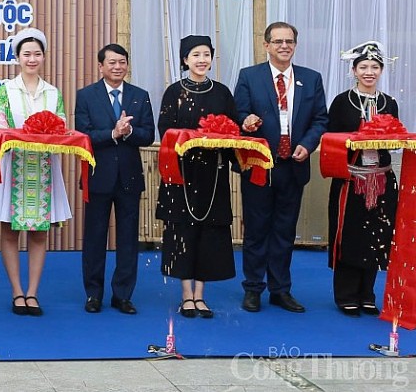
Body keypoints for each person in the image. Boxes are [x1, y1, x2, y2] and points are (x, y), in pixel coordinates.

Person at [235, 21, 328, 313]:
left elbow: (320, 120)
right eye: (277, 42)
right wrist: (246, 121)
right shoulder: (249, 76)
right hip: (260, 165)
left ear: (295, 45)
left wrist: (309, 143)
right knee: (256, 230)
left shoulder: (311, 79)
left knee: (285, 231)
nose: (284, 46)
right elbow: (239, 112)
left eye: (289, 41)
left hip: (294, 165)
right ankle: (253, 289)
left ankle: (280, 290)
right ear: (266, 45)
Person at [0, 28, 69, 316]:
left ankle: (33, 292)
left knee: (38, 234)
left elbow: (62, 128)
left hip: (43, 169)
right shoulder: (6, 90)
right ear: (17, 57)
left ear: (43, 57)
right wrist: (28, 134)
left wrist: (46, 134)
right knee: (9, 230)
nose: (32, 59)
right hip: (13, 167)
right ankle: (16, 291)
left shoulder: (53, 92)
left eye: (37, 54)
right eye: (26, 54)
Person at [156, 35, 237, 319]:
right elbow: (165, 130)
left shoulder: (223, 92)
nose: (202, 60)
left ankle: (201, 295)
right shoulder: (173, 92)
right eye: (195, 55)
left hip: (213, 173)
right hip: (182, 172)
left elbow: (233, 129)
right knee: (183, 230)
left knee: (209, 231)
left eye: (206, 54)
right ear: (185, 59)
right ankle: (185, 294)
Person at [74, 43, 155, 315]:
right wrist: (113, 133)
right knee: (95, 237)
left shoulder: (139, 96)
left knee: (128, 239)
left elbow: (148, 134)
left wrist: (129, 132)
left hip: (129, 177)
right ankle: (93, 294)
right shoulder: (86, 96)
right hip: (98, 176)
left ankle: (123, 295)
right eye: (112, 62)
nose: (117, 66)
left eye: (122, 62)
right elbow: (83, 136)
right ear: (101, 66)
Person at [325, 41, 399, 317]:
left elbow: (394, 140)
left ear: (381, 71)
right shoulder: (342, 102)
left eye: (375, 67)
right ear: (354, 70)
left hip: (381, 180)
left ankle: (367, 293)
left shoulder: (388, 103)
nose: (369, 72)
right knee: (350, 235)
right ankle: (346, 295)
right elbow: (331, 139)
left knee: (376, 235)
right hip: (351, 180)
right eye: (364, 67)